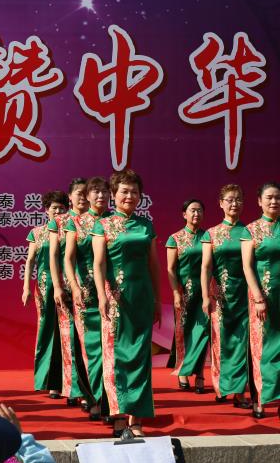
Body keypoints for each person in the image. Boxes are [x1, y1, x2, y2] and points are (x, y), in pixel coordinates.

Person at [92, 169, 161, 438]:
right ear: (113, 194)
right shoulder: (103, 225)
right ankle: (118, 413)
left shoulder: (146, 225)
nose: (129, 196)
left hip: (141, 298)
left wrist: (157, 299)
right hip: (115, 299)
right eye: (124, 191)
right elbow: (99, 264)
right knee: (116, 356)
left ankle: (136, 417)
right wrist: (102, 296)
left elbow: (153, 265)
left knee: (140, 358)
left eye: (134, 192)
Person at [63, 176, 111, 421]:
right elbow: (68, 258)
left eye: (104, 192)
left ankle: (110, 402)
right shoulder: (76, 223)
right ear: (87, 196)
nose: (100, 196)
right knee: (91, 350)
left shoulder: (115, 222)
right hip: (86, 296)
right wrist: (74, 287)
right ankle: (94, 398)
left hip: (114, 295)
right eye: (95, 192)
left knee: (112, 350)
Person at [201, 185, 251, 410]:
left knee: (241, 343)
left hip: (245, 295)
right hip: (219, 296)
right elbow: (206, 267)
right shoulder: (211, 234)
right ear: (221, 203)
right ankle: (221, 387)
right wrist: (205, 296)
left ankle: (239, 392)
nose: (234, 204)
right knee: (220, 342)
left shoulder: (249, 232)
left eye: (238, 199)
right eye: (230, 200)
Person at [22, 191, 69, 399]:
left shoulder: (71, 231)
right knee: (47, 331)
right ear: (46, 210)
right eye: (54, 208)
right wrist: (25, 288)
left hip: (67, 286)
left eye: (61, 208)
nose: (57, 212)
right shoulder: (37, 232)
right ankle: (48, 380)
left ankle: (67, 382)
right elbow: (30, 261)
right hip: (44, 287)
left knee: (67, 332)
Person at [48, 178, 89, 407]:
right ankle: (72, 387)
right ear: (70, 197)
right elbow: (54, 255)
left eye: (86, 193)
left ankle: (91, 389)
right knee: (69, 337)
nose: (83, 197)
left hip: (92, 287)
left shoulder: (97, 221)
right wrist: (57, 285)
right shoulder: (60, 222)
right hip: (66, 286)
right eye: (78, 193)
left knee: (90, 339)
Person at [241, 182, 280, 418]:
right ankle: (260, 399)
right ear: (259, 201)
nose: (274, 201)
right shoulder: (251, 230)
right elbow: (247, 266)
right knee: (261, 348)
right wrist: (257, 297)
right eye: (269, 197)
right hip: (263, 297)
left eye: (277, 197)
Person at [166, 199, 209, 393]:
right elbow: (170, 269)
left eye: (199, 210)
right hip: (184, 293)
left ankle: (200, 374)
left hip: (205, 292)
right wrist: (176, 292)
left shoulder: (208, 236)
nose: (196, 214)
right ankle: (182, 371)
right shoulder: (174, 238)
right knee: (183, 332)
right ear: (184, 214)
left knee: (203, 333)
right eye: (192, 210)